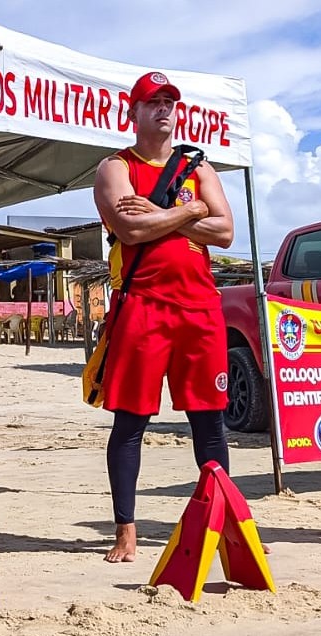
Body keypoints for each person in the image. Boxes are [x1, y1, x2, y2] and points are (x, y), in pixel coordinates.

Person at [92, 72, 235, 564]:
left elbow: (226, 232)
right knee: (131, 420)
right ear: (133, 112)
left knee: (209, 419)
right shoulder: (116, 167)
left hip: (200, 308)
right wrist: (191, 212)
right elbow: (129, 231)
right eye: (152, 101)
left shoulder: (200, 168)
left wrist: (165, 210)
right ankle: (125, 530)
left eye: (170, 101)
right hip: (143, 306)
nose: (164, 108)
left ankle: (221, 519)